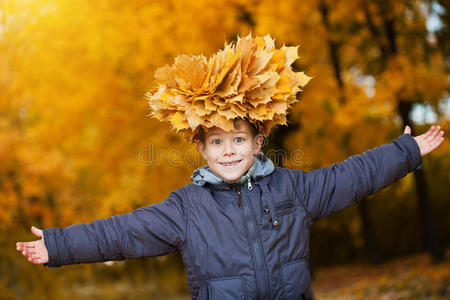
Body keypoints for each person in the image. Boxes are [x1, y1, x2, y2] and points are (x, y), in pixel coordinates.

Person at [16, 34, 445, 300]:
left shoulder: (291, 190)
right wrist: (60, 245)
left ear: (258, 142)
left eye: (238, 140)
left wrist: (404, 152)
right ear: (201, 148)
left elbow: (352, 178)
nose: (228, 151)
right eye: (217, 142)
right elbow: (123, 232)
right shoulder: (185, 210)